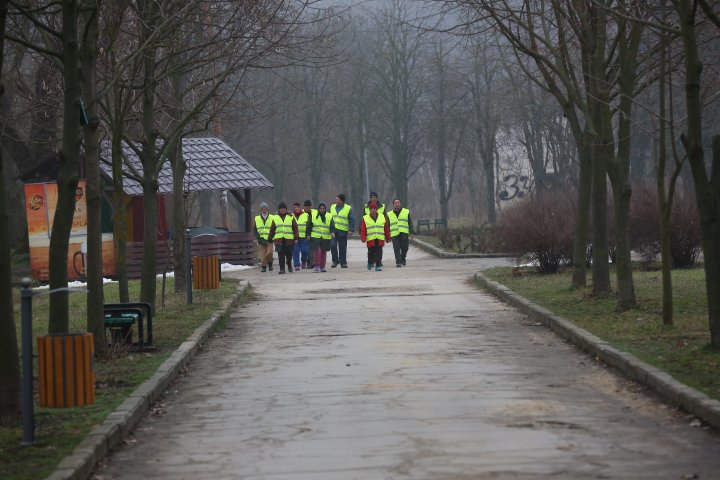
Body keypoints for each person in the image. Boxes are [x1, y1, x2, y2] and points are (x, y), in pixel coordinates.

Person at [268, 202, 299, 274]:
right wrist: (270, 238)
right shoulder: (275, 218)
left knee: (289, 255)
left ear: (286, 209)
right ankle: (282, 269)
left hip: (289, 239)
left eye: (284, 209)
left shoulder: (291, 216)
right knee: (280, 255)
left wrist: (296, 237)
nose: (283, 210)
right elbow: (272, 229)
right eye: (281, 209)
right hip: (279, 240)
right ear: (279, 209)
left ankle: (289, 265)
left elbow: (295, 228)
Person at [360, 201, 391, 271]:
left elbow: (386, 228)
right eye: (371, 209)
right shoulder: (365, 218)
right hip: (371, 239)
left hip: (380, 238)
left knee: (379, 253)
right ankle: (370, 262)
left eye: (374, 208)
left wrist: (388, 237)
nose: (373, 210)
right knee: (371, 253)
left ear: (377, 209)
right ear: (369, 210)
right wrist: (363, 237)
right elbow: (363, 229)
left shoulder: (382, 217)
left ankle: (378, 266)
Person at [387, 198, 414, 267]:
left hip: (404, 233)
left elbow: (410, 222)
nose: (397, 204)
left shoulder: (406, 212)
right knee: (396, 248)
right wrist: (387, 235)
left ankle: (403, 258)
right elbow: (387, 225)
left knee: (405, 248)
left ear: (400, 204)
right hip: (394, 233)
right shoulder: (389, 214)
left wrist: (411, 232)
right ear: (393, 205)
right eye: (395, 203)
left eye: (398, 202)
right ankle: (398, 262)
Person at [329, 193, 354, 268]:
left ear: (342, 201)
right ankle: (335, 261)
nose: (336, 201)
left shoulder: (348, 208)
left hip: (343, 230)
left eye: (337, 199)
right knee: (332, 245)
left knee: (342, 247)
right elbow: (328, 217)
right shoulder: (332, 207)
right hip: (333, 230)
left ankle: (343, 262)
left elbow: (352, 220)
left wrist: (351, 230)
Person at [308, 202, 333, 272]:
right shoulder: (313, 215)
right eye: (321, 208)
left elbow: (332, 225)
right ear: (318, 209)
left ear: (325, 209)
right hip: (315, 236)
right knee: (317, 251)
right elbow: (309, 226)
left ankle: (322, 266)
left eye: (323, 209)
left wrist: (332, 232)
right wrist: (308, 234)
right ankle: (316, 265)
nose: (322, 210)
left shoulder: (329, 216)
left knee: (323, 252)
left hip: (325, 237)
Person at [253, 202, 275, 272]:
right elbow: (255, 229)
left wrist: (273, 236)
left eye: (265, 209)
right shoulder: (257, 218)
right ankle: (264, 267)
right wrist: (258, 237)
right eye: (262, 209)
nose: (264, 210)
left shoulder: (272, 217)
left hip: (270, 239)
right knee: (262, 255)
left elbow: (275, 228)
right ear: (261, 210)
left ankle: (270, 263)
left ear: (267, 209)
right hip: (261, 239)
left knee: (269, 253)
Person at [291, 202, 311, 270]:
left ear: (300, 208)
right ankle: (296, 265)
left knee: (305, 251)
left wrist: (308, 234)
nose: (296, 209)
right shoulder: (291, 215)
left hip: (304, 237)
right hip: (295, 237)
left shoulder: (306, 215)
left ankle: (304, 261)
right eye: (295, 207)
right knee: (295, 251)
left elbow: (309, 225)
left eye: (298, 207)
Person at [303, 199, 316, 269]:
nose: (308, 208)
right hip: (302, 235)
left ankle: (311, 263)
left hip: (313, 234)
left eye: (309, 207)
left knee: (311, 250)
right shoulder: (301, 213)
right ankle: (307, 263)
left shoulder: (314, 213)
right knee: (306, 250)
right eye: (306, 207)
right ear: (304, 207)